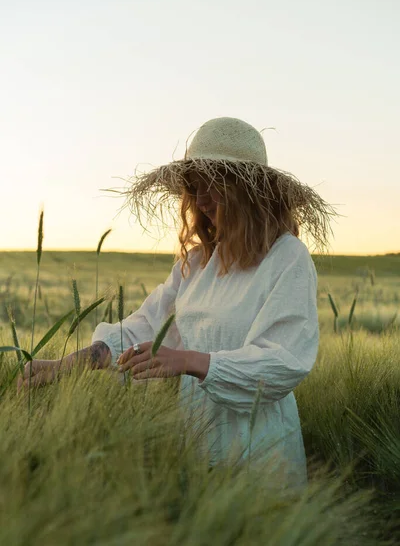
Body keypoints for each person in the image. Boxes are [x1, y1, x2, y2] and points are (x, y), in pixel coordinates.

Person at [18, 117, 337, 489]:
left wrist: (188, 360)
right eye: (195, 189)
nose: (200, 202)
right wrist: (73, 362)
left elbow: (283, 361)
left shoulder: (287, 258)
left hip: (259, 444)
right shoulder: (199, 263)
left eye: (213, 188)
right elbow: (149, 325)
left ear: (247, 190)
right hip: (196, 433)